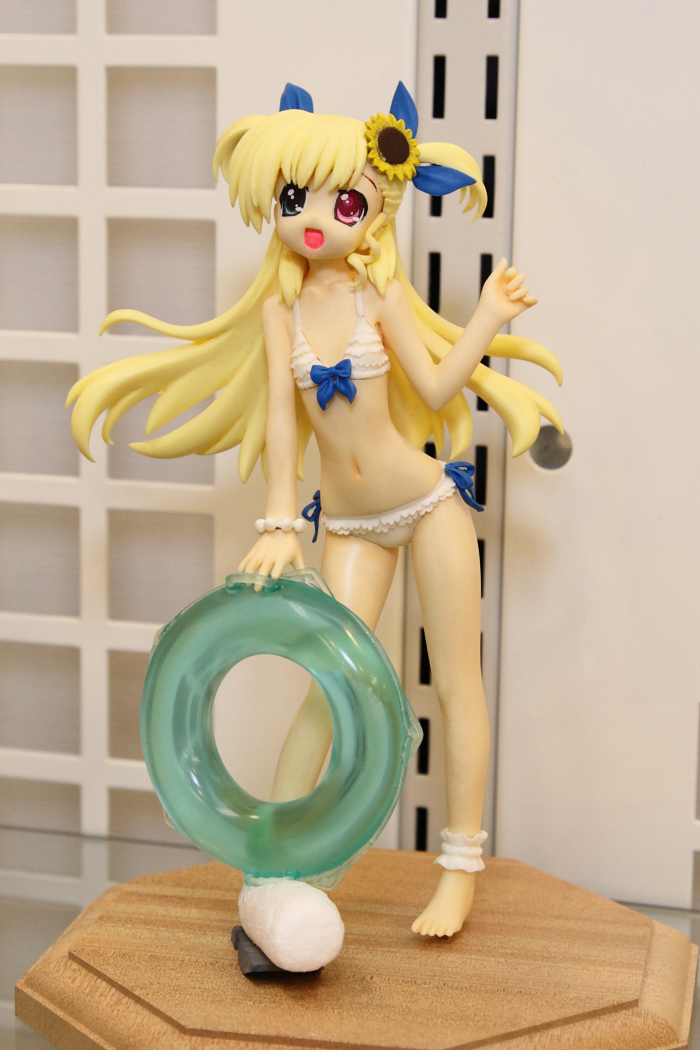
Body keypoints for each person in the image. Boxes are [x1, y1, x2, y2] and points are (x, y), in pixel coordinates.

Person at [69, 83, 562, 937]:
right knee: (330, 688)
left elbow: (436, 388)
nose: (313, 219)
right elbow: (282, 426)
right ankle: (278, 859)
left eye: (344, 203)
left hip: (426, 502)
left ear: (374, 216)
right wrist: (279, 524)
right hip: (348, 523)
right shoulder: (280, 308)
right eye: (295, 197)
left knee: (455, 684)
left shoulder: (380, 298)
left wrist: (486, 317)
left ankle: (459, 866)